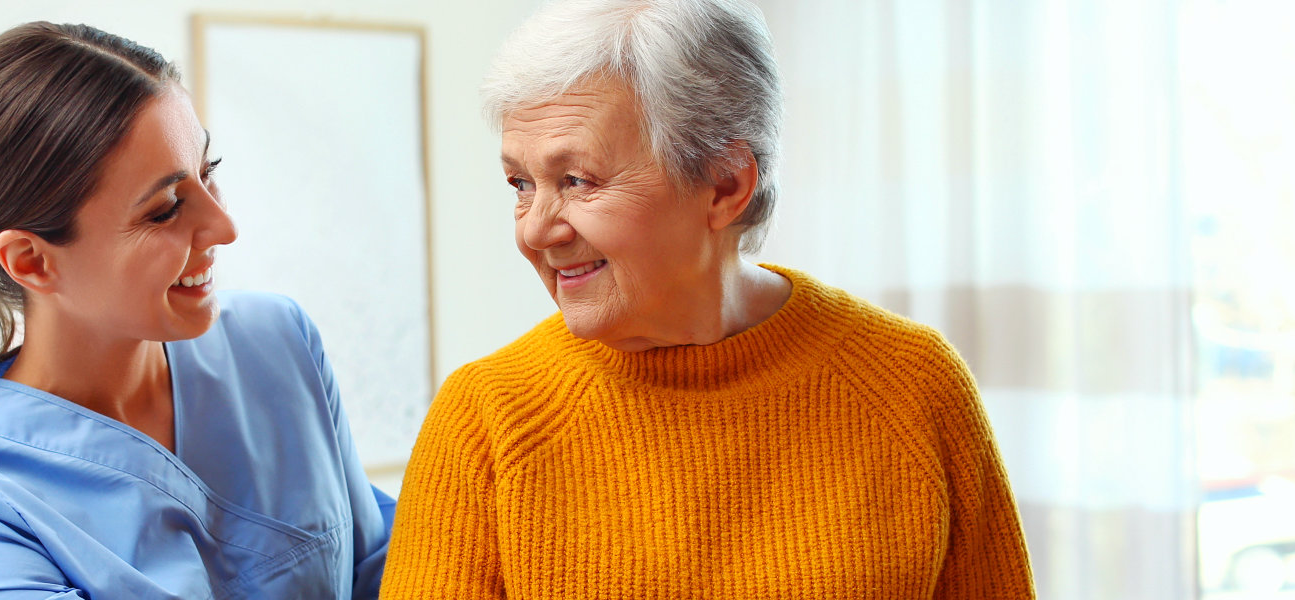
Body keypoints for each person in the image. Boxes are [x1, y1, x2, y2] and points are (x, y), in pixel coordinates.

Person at [380, 0, 1033, 597]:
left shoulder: (913, 387)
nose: (533, 229)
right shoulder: (485, 423)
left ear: (725, 184)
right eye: (521, 183)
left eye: (576, 180)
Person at [0, 22, 392, 600]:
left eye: (208, 172)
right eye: (166, 208)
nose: (223, 226)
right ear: (32, 261)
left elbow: (390, 571)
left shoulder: (280, 343)